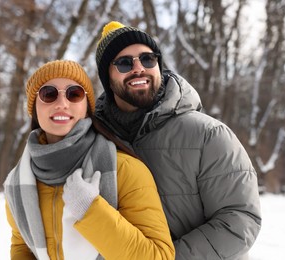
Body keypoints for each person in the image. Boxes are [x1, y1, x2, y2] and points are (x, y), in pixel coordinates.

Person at [94, 21, 262, 260]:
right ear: (107, 78)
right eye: (124, 63)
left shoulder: (208, 135)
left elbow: (240, 220)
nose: (139, 68)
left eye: (148, 59)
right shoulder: (95, 140)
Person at [3, 60, 175, 260]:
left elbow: (160, 256)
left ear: (86, 107)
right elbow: (22, 245)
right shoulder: (18, 181)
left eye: (74, 93)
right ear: (34, 108)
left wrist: (91, 210)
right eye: (48, 94)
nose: (62, 103)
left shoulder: (125, 169)